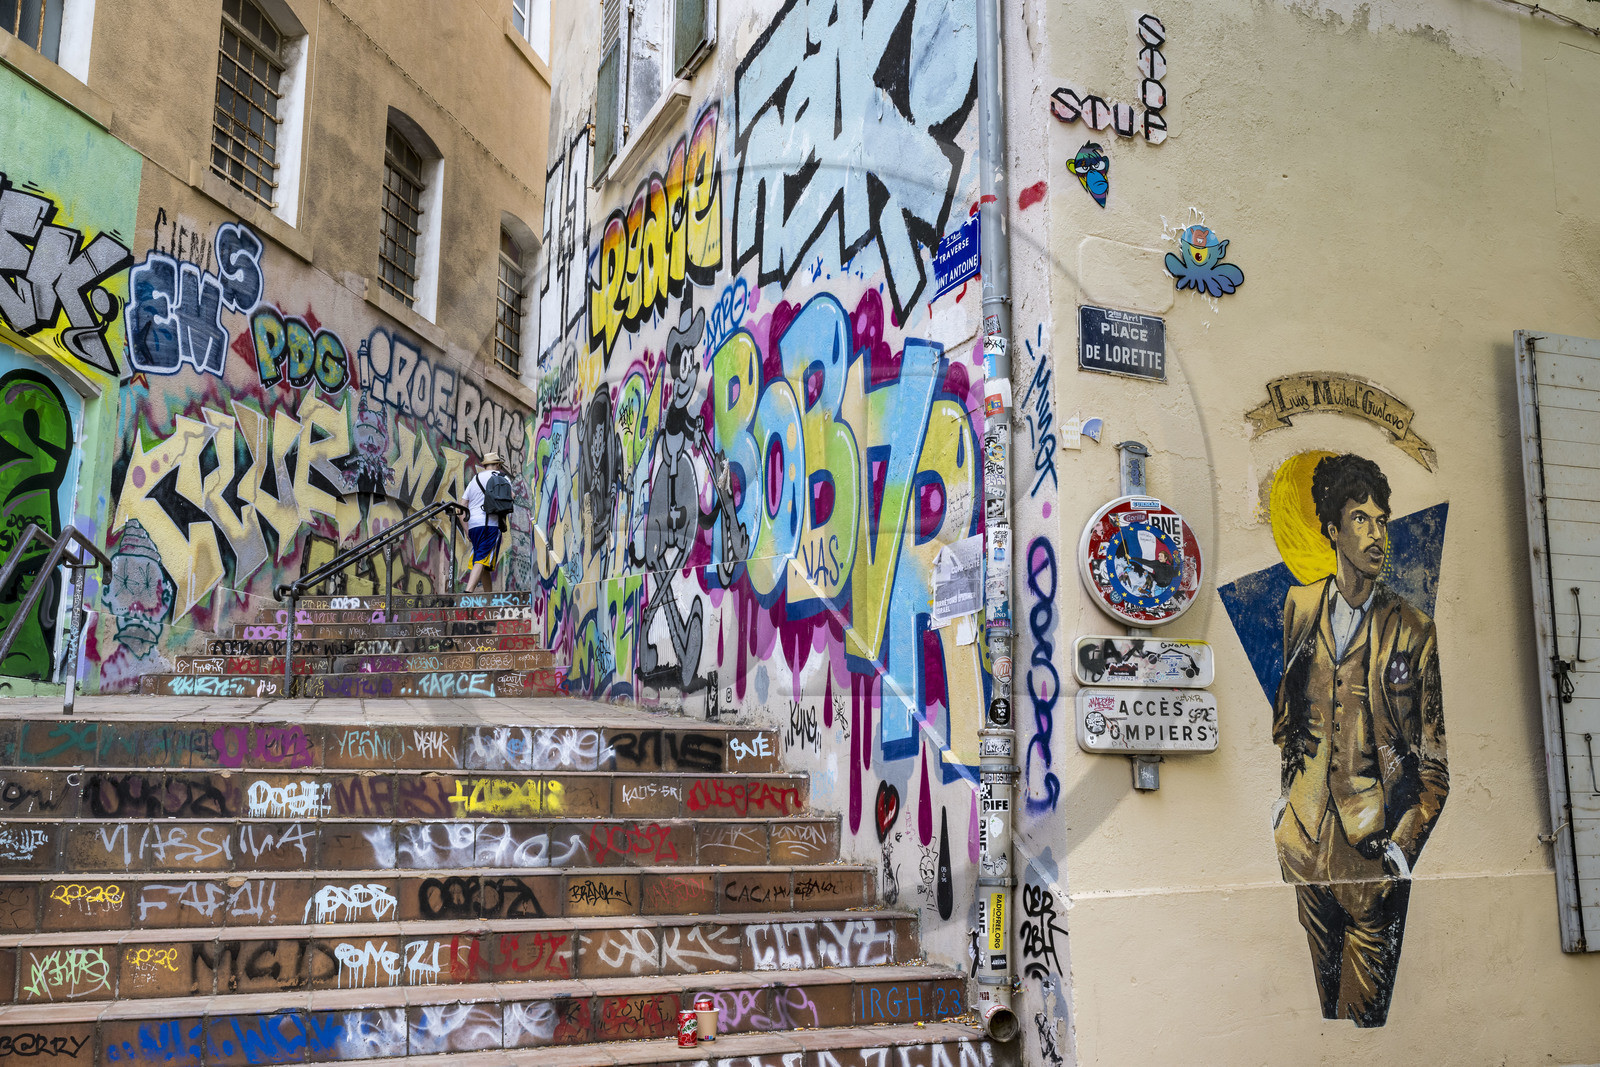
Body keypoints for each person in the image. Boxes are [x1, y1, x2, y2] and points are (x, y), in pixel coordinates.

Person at [1271, 452, 1448, 1028]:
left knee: (1364, 1025)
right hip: (1305, 847)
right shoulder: (1299, 607)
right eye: (1361, 520)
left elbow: (1435, 769)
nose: (1377, 536)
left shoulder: (1414, 629)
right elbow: (1289, 718)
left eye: (1383, 521)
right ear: (1331, 530)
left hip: (1374, 857)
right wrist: (1285, 806)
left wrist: (1401, 850)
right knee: (1325, 1021)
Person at [463, 452, 507, 593]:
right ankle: (467, 592)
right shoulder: (501, 478)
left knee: (484, 561)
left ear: (485, 464)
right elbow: (511, 497)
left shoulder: (474, 480)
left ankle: (489, 597)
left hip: (474, 525)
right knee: (481, 559)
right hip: (491, 525)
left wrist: (466, 529)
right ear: (498, 465)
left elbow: (462, 507)